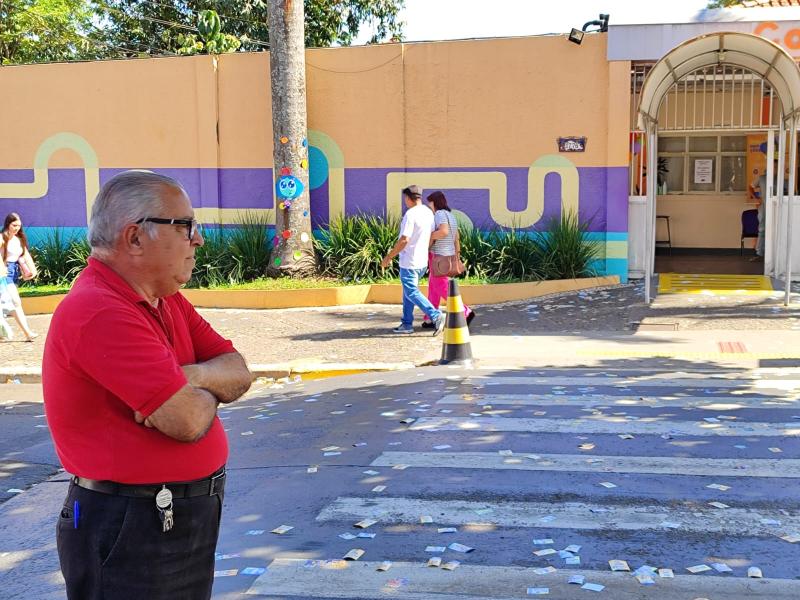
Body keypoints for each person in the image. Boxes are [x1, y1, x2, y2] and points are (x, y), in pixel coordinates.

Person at [42, 171, 253, 600]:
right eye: (186, 226)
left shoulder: (164, 297)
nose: (198, 240)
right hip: (131, 525)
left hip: (171, 516)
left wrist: (190, 376)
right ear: (135, 237)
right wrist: (199, 386)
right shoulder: (100, 309)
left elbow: (239, 370)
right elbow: (187, 420)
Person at [380, 185, 445, 335]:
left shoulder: (410, 215)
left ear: (409, 198)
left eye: (405, 199)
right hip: (421, 261)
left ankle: (436, 315)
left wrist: (389, 257)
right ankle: (407, 324)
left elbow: (404, 239)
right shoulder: (428, 213)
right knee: (408, 292)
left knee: (411, 291)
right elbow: (431, 236)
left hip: (409, 261)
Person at [421, 191, 475, 329]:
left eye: (430, 202)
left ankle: (465, 311)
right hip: (447, 255)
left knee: (442, 286)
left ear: (435, 202)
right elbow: (456, 237)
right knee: (433, 288)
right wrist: (457, 254)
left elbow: (443, 232)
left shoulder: (439, 214)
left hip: (439, 256)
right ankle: (429, 317)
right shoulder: (451, 216)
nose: (429, 205)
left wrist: (428, 236)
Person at [1, 212, 38, 341]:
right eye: (14, 225)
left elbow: (25, 255)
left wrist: (33, 271)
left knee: (7, 303)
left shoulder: (18, 239)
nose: (16, 228)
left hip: (13, 272)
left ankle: (2, 333)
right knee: (16, 302)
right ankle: (27, 333)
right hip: (4, 273)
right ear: (8, 224)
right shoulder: (2, 238)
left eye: (19, 225)